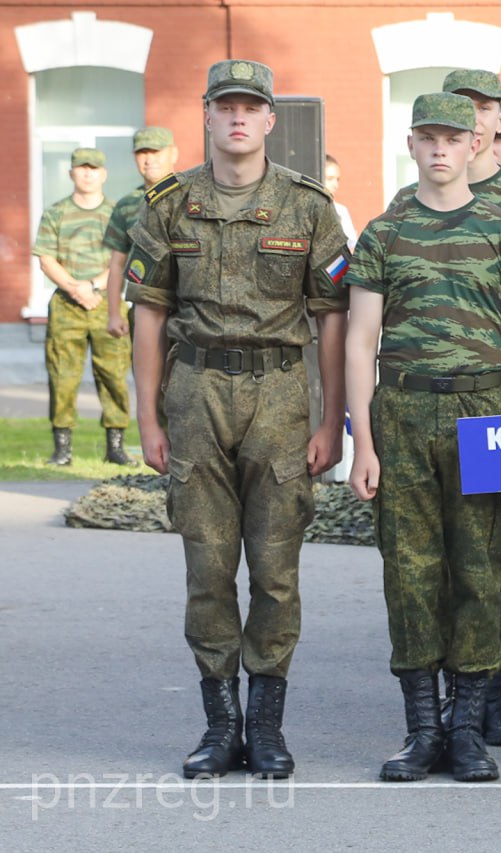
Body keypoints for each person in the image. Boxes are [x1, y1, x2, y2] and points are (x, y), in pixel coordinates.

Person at [125, 59, 350, 779]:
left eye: (252, 106)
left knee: (277, 573)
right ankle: (220, 726)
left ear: (271, 119)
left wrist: (331, 418)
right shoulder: (168, 205)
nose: (239, 118)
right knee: (208, 568)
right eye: (227, 106)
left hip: (281, 396)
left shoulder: (308, 208)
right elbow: (150, 314)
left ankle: (268, 726)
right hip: (195, 394)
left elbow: (333, 320)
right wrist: (148, 418)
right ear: (208, 114)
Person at [345, 91, 501, 783]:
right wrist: (362, 442)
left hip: (484, 416)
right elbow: (359, 339)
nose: (440, 149)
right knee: (409, 575)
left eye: (452, 138)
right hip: (401, 413)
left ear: (473, 145)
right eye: (427, 138)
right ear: (411, 145)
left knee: (480, 572)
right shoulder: (384, 233)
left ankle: (467, 729)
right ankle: (422, 730)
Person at [391, 69, 501, 738]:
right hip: (432, 399)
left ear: (494, 121)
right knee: (460, 555)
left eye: (484, 108)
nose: (473, 118)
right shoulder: (409, 203)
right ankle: (465, 695)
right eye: (460, 108)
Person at [33, 147, 133, 467]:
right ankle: (62, 449)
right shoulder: (55, 213)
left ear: (104, 174)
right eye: (81, 168)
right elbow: (46, 259)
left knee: (114, 375)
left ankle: (115, 446)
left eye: (94, 168)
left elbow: (126, 258)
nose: (87, 173)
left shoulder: (118, 213)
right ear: (71, 173)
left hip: (108, 303)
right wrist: (76, 289)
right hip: (66, 305)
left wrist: (93, 286)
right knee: (63, 376)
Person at [105, 127, 181, 343]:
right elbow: (117, 264)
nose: (149, 160)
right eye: (142, 153)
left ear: (173, 154)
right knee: (146, 376)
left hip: (189, 311)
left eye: (156, 152)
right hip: (144, 309)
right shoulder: (127, 205)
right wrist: (113, 314)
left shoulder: (193, 196)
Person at [323, 154, 358, 249]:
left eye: (337, 179)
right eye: (330, 178)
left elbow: (351, 244)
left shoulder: (341, 211)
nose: (335, 185)